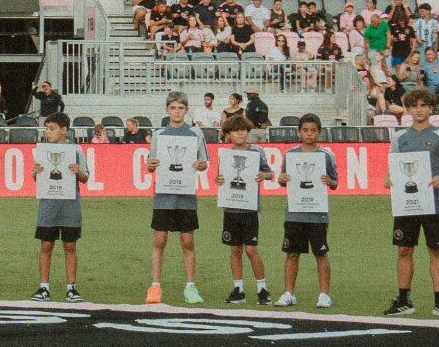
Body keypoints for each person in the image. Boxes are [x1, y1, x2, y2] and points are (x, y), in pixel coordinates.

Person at [383, 91, 439, 317]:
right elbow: (393, 167)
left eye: (424, 105)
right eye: (414, 106)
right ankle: (404, 299)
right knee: (404, 250)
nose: (419, 109)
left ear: (432, 108)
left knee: (435, 250)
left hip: (432, 204)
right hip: (407, 203)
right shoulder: (400, 137)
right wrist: (388, 177)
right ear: (408, 109)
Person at [142, 97, 206, 307]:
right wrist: (150, 165)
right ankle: (155, 284)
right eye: (173, 108)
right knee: (159, 240)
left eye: (180, 108)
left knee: (187, 241)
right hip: (163, 196)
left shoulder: (196, 133)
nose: (177, 111)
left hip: (186, 196)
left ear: (186, 110)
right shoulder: (159, 135)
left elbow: (203, 162)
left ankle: (190, 285)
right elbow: (151, 166)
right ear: (167, 109)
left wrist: (200, 164)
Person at [276, 112, 337, 310]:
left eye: (313, 131)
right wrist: (281, 179)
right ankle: (289, 293)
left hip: (318, 214)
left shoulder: (326, 155)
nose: (309, 134)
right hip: (294, 212)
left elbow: (335, 182)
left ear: (319, 133)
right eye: (305, 130)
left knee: (321, 254)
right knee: (292, 253)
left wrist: (330, 182)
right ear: (299, 132)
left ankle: (324, 294)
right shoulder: (291, 155)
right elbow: (282, 180)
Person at [210, 112, 267, 305]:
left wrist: (263, 176)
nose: (240, 134)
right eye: (235, 131)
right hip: (231, 208)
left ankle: (262, 288)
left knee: (251, 250)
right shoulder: (225, 155)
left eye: (243, 130)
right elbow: (221, 178)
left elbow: (269, 173)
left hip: (250, 209)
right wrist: (218, 180)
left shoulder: (257, 152)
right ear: (228, 135)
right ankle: (238, 289)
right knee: (235, 250)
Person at [31, 105, 87, 301]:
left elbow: (86, 177)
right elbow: (37, 178)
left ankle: (71, 287)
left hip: (70, 206)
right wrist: (35, 172)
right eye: (47, 128)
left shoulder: (76, 149)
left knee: (70, 246)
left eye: (52, 128)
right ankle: (44, 287)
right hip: (48, 205)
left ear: (64, 130)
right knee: (46, 245)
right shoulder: (43, 150)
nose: (48, 132)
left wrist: (77, 170)